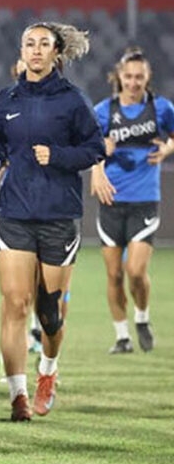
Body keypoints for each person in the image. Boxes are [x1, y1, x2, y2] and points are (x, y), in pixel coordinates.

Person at [0, 22, 103, 421]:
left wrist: (58, 156)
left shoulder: (73, 100)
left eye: (43, 44)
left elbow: (95, 149)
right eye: (29, 43)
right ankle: (18, 395)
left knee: (50, 312)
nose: (35, 50)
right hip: (14, 212)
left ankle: (48, 370)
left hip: (59, 215)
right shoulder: (7, 98)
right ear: (21, 50)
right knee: (15, 302)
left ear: (55, 52)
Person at [90, 48, 174, 354]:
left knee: (135, 271)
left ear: (147, 78)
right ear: (119, 77)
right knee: (114, 274)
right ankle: (122, 337)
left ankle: (142, 317)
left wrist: (168, 149)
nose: (134, 82)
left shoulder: (161, 108)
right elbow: (89, 147)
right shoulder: (103, 111)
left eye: (139, 77)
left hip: (144, 199)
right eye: (128, 76)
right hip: (111, 200)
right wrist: (99, 161)